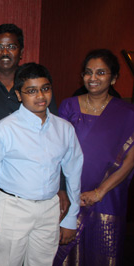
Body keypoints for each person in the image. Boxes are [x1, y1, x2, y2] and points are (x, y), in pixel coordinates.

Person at [0, 23, 70, 266]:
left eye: (11, 46)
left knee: (34, 251)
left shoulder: (37, 87)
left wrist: (61, 186)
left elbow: (54, 142)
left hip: (33, 179)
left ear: (21, 50)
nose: (5, 52)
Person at [0, 62, 83, 266]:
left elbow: (74, 173)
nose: (40, 96)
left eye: (45, 88)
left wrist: (70, 217)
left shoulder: (64, 129)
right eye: (31, 91)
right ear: (19, 95)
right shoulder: (3, 129)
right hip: (13, 208)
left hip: (49, 208)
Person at [54, 49, 134, 265]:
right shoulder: (68, 105)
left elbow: (130, 160)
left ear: (114, 78)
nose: (93, 78)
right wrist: (64, 190)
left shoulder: (127, 113)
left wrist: (100, 192)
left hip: (108, 196)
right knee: (66, 251)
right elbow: (58, 151)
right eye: (88, 72)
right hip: (72, 193)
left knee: (102, 251)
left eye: (101, 73)